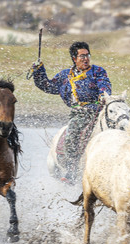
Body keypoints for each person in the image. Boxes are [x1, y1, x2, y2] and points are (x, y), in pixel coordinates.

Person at [31, 41, 111, 182]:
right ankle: (71, 169)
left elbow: (104, 85)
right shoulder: (64, 76)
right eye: (82, 56)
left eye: (87, 55)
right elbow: (48, 86)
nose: (85, 59)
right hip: (80, 114)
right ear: (74, 59)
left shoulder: (98, 71)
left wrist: (103, 94)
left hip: (98, 110)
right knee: (72, 134)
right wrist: (38, 71)